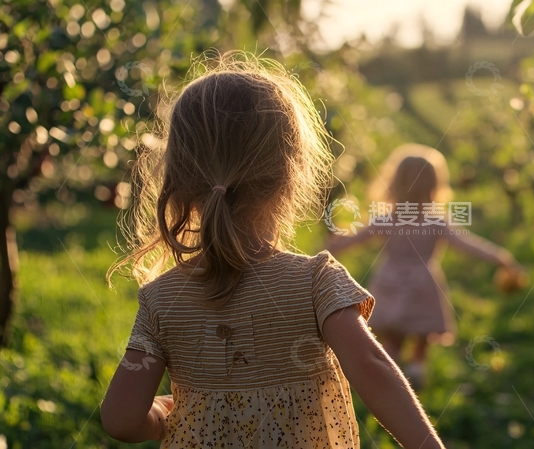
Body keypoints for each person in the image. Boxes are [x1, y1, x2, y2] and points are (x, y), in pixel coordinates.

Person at [100, 52, 445, 449]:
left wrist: (162, 414)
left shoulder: (162, 298)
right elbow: (371, 368)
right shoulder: (315, 283)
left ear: (179, 174)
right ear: (291, 175)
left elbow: (121, 420)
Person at [326, 144, 525, 388]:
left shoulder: (386, 218)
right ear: (435, 185)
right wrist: (499, 256)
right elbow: (466, 243)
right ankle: (416, 370)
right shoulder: (435, 220)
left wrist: (329, 248)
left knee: (393, 336)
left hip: (390, 282)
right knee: (422, 334)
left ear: (394, 182)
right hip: (423, 283)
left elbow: (357, 237)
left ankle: (387, 377)